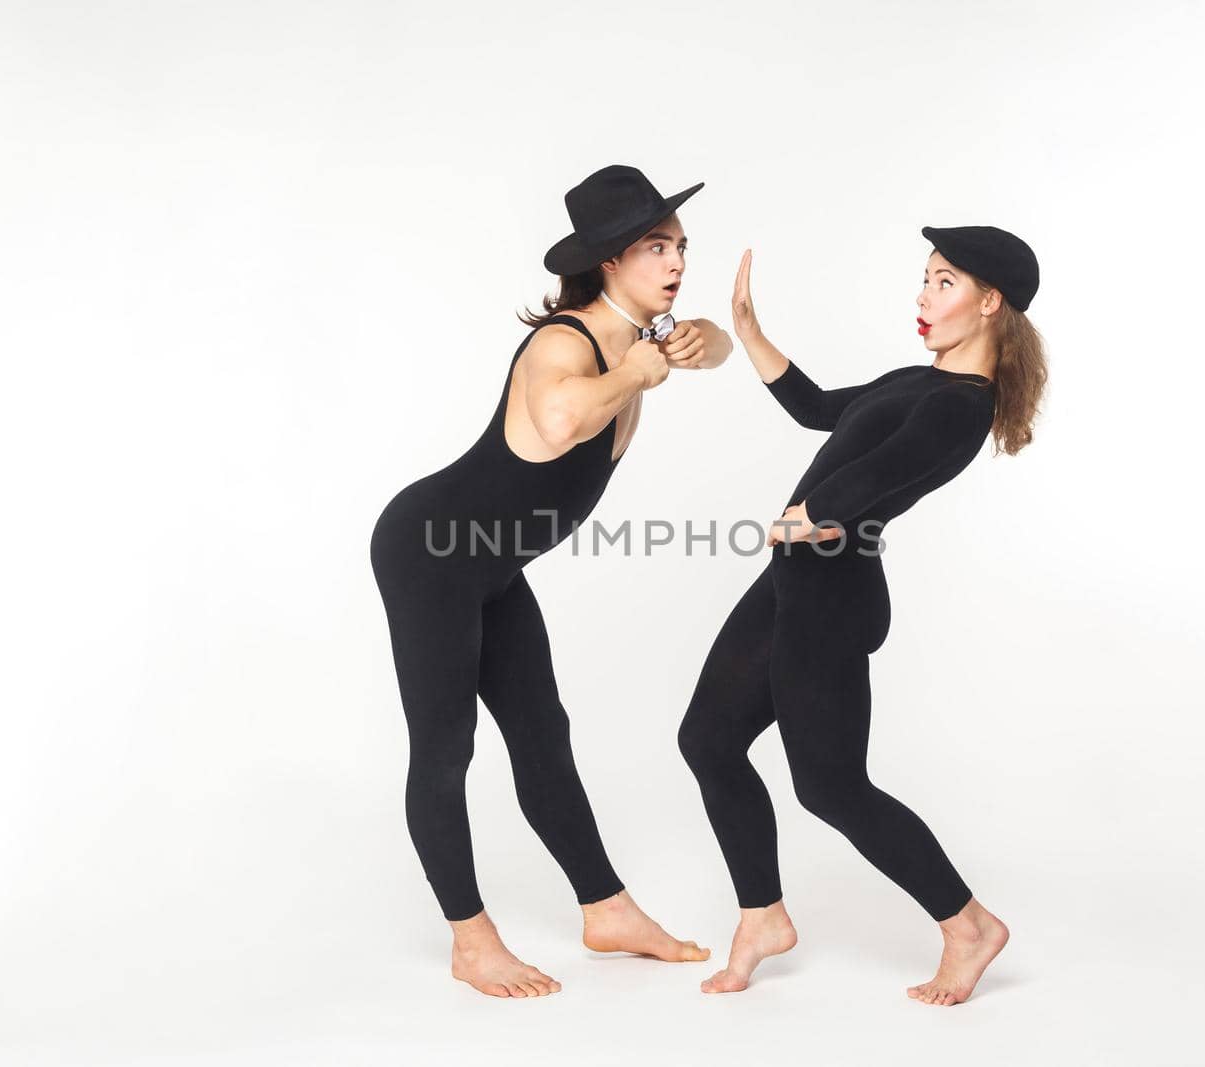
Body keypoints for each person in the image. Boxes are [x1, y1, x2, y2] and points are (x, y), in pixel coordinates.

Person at [370, 165, 733, 998]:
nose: (676, 262)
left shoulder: (645, 334)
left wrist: (699, 340)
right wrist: (638, 375)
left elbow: (708, 345)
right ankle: (471, 939)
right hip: (431, 551)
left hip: (493, 562)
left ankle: (605, 907)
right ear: (609, 261)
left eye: (680, 245)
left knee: (542, 732)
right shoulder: (566, 342)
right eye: (654, 247)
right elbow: (564, 415)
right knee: (446, 746)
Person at [677, 226, 1046, 1004]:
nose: (923, 295)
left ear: (989, 303)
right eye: (925, 279)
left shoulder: (961, 407)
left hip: (831, 601)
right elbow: (818, 410)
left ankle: (968, 924)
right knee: (708, 739)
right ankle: (763, 915)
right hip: (794, 582)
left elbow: (873, 479)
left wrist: (805, 516)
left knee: (832, 787)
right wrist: (750, 332)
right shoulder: (917, 380)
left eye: (943, 282)